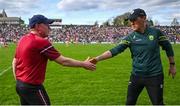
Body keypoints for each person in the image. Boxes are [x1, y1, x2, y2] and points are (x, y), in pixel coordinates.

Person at [88, 8, 176, 105]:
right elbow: (115, 50)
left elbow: (168, 47)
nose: (132, 23)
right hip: (136, 76)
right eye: (130, 20)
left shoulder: (156, 33)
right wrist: (97, 58)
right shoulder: (130, 37)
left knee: (158, 103)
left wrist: (172, 65)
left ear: (144, 18)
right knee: (129, 103)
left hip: (154, 76)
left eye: (134, 20)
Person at [12, 14, 96, 105]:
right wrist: (84, 64)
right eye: (47, 24)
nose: (49, 28)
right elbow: (63, 61)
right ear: (37, 26)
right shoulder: (40, 41)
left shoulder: (23, 39)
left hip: (20, 85)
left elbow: (14, 61)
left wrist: (19, 81)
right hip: (32, 87)